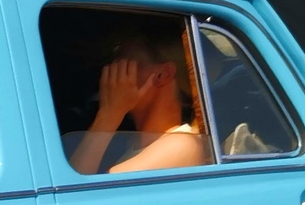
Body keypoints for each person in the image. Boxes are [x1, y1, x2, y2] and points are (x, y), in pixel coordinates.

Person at [68, 39, 207, 175]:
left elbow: (77, 193)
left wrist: (109, 113)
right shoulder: (132, 142)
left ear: (162, 75)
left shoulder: (182, 145)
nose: (110, 68)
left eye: (123, 60)